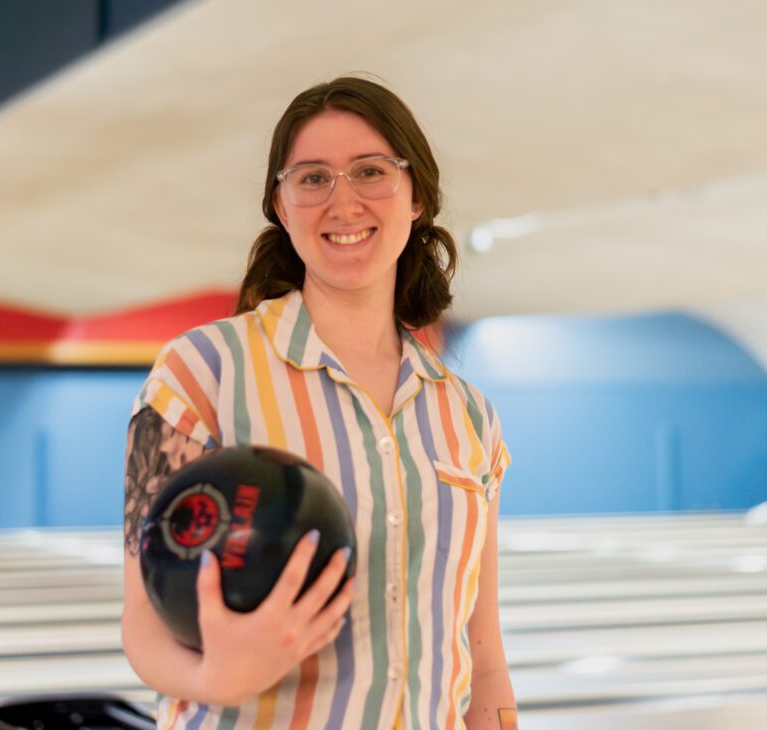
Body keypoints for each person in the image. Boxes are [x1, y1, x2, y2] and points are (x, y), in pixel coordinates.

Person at [121, 76, 516, 730]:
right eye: (311, 178)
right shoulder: (200, 371)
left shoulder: (469, 415)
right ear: (279, 203)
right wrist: (212, 676)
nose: (343, 201)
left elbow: (485, 655)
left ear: (416, 194)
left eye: (371, 172)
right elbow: (144, 622)